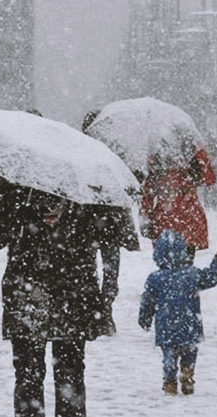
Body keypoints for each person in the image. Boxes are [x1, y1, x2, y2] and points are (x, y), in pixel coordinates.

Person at [0, 175, 119, 417]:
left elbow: (108, 234)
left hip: (46, 297)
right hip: (54, 298)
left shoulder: (17, 182)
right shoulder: (78, 182)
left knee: (41, 378)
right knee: (53, 379)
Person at [138, 230, 217, 396]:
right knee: (190, 351)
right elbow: (212, 277)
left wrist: (144, 319)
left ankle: (170, 381)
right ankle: (187, 373)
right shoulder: (192, 274)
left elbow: (147, 301)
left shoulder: (155, 278)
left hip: (166, 326)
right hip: (190, 323)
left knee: (169, 355)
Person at [82, 110, 141, 311]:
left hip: (89, 218)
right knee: (108, 268)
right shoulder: (114, 154)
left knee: (91, 266)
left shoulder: (82, 151)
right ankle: (104, 308)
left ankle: (98, 308)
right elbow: (130, 184)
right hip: (109, 218)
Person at [141, 128, 216, 263]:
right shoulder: (194, 159)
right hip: (189, 216)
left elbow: (148, 193)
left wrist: (146, 216)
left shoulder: (158, 160)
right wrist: (200, 158)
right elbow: (210, 179)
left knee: (165, 264)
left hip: (164, 217)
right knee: (186, 264)